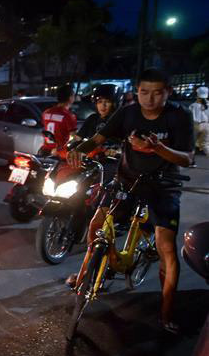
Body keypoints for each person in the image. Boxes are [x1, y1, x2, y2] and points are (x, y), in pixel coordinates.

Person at [68, 69, 194, 334]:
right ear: (136, 91)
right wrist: (78, 151)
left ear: (167, 93)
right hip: (127, 181)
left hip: (164, 186)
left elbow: (187, 158)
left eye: (157, 92)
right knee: (96, 226)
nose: (149, 98)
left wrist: (158, 148)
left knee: (166, 248)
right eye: (144, 92)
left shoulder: (179, 116)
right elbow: (98, 138)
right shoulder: (127, 113)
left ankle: (166, 312)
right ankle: (83, 279)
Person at [41, 84, 77, 159]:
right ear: (70, 98)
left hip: (44, 150)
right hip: (59, 153)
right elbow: (73, 137)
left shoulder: (46, 112)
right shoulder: (68, 115)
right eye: (73, 95)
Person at [189, 86, 209, 156]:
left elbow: (189, 117)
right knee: (205, 145)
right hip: (207, 125)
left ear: (197, 94)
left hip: (196, 125)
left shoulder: (193, 105)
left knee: (192, 145)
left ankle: (192, 162)